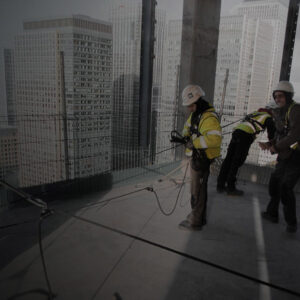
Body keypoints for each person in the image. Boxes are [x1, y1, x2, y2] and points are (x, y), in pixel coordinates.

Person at [173, 84, 222, 230]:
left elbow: (215, 139)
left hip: (203, 159)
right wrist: (186, 137)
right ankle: (199, 217)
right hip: (197, 158)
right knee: (198, 190)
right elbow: (186, 129)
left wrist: (193, 143)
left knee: (197, 191)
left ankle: (195, 221)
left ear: (198, 102)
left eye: (191, 105)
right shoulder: (196, 115)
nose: (189, 108)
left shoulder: (208, 118)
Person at [259, 81, 300, 233]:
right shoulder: (282, 112)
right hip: (285, 154)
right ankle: (272, 213)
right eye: (275, 97)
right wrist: (269, 142)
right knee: (275, 182)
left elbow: (294, 135)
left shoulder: (296, 110)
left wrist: (275, 147)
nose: (277, 99)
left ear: (288, 96)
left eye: (280, 96)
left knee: (285, 187)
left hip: (296, 157)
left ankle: (291, 223)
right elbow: (280, 134)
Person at [216, 104, 276, 196]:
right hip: (245, 136)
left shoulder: (256, 113)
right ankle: (230, 187)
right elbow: (271, 134)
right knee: (237, 161)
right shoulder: (268, 117)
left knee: (229, 159)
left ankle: (220, 185)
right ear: (272, 111)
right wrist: (272, 143)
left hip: (236, 133)